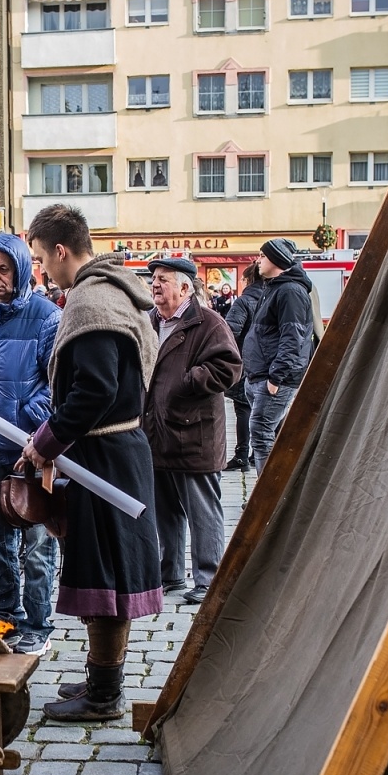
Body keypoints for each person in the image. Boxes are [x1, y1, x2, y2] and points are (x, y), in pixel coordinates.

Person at [22, 204, 162, 722]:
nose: (41, 269)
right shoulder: (111, 291)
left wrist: (46, 441)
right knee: (108, 576)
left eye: (41, 258)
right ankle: (103, 677)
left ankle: (104, 695)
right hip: (112, 454)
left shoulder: (92, 302)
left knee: (108, 579)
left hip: (106, 458)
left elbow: (96, 390)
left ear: (62, 251)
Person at [0, 233, 62, 655]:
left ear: (21, 269)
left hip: (31, 450)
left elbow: (58, 387)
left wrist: (24, 416)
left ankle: (38, 623)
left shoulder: (46, 317)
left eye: (3, 269)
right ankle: (2, 616)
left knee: (38, 542)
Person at [141, 259, 241, 605]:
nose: (155, 285)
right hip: (157, 432)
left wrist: (188, 382)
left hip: (193, 433)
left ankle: (208, 578)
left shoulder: (208, 323)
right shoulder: (150, 321)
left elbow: (229, 367)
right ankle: (169, 574)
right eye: (153, 280)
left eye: (163, 280)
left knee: (202, 511)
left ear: (184, 288)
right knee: (164, 510)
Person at [241, 239, 314, 472]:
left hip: (272, 379)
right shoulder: (274, 287)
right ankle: (267, 499)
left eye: (262, 255)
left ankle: (265, 504)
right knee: (267, 437)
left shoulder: (290, 291)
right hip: (258, 377)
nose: (258, 260)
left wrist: (275, 379)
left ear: (276, 260)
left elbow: (293, 338)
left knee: (262, 436)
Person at [222, 270, 267, 471]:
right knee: (264, 409)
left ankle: (241, 454)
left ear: (248, 279)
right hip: (268, 363)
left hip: (246, 360)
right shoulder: (274, 296)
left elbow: (230, 331)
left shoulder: (244, 301)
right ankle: (257, 454)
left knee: (243, 408)